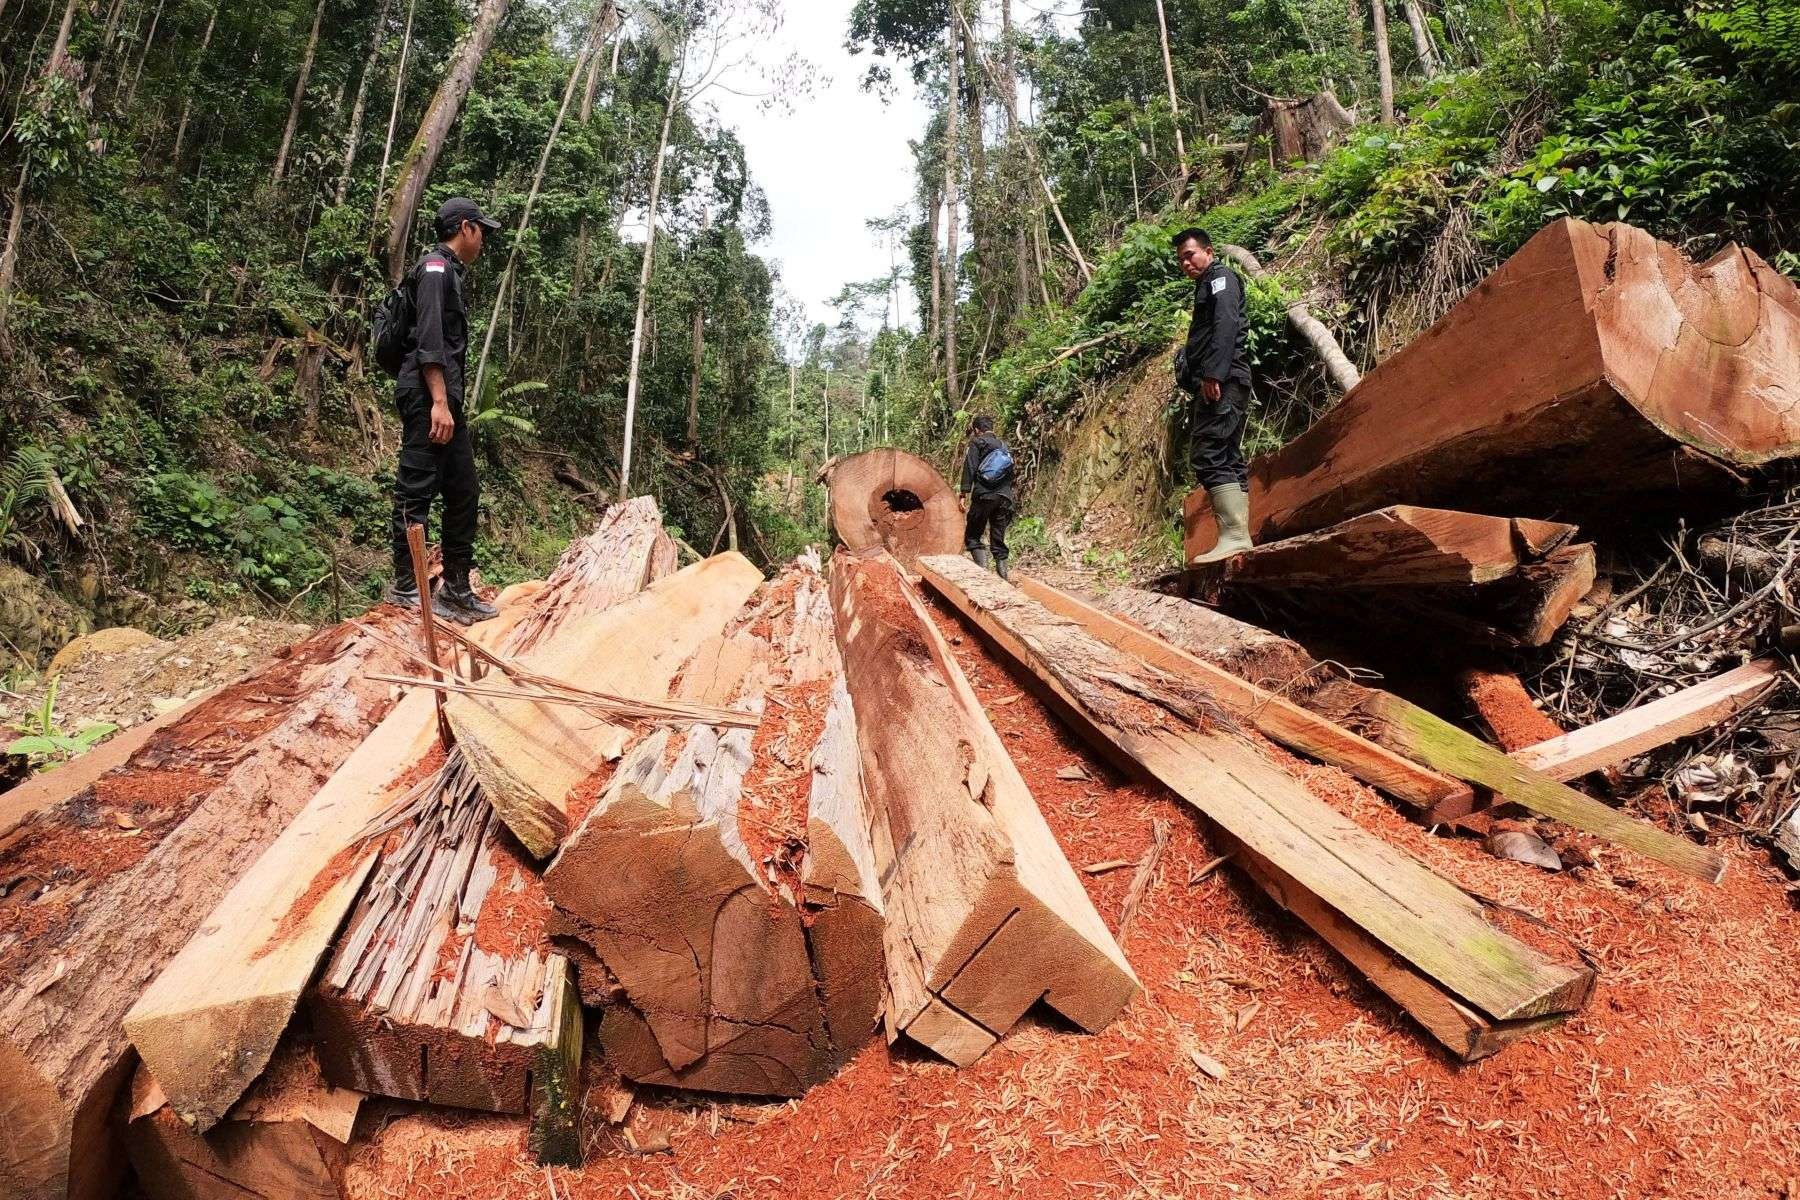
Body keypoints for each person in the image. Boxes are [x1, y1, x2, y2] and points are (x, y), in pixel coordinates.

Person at [387, 197, 502, 624]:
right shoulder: (435, 270)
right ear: (466, 228)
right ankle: (405, 587)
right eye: (482, 231)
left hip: (442, 398)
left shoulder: (449, 272)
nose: (484, 240)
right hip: (426, 395)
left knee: (463, 489)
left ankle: (455, 588)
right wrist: (437, 400)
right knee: (415, 489)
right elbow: (429, 341)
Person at [1172, 227, 1254, 564]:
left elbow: (1226, 324)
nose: (1186, 263)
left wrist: (1213, 373)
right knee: (1228, 455)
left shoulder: (1222, 279)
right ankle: (1239, 536)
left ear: (1208, 251)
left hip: (1223, 381)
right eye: (1180, 260)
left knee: (1208, 453)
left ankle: (1234, 535)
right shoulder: (1208, 284)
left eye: (1190, 255)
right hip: (1225, 379)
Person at [958, 413, 1017, 580]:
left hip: (984, 495)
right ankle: (1003, 576)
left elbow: (970, 467)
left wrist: (964, 492)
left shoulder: (977, 442)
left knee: (973, 535)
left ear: (977, 430)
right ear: (991, 428)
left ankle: (982, 572)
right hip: (1004, 497)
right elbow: (1010, 472)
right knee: (998, 538)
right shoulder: (1004, 446)